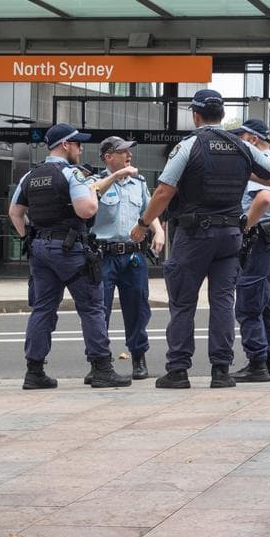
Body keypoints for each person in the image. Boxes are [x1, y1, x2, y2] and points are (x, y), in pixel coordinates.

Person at [130, 90, 270, 388]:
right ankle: (221, 371)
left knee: (184, 303)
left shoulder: (188, 146)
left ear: (196, 116)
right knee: (223, 301)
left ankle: (178, 370)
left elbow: (164, 192)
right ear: (223, 116)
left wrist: (143, 224)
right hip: (230, 235)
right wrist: (243, 173)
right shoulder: (242, 146)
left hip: (194, 235)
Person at [8, 123, 134, 390]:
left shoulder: (30, 176)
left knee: (43, 309)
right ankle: (101, 368)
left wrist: (28, 238)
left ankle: (34, 372)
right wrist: (92, 191)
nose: (80, 147)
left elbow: (15, 213)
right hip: (71, 250)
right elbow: (87, 210)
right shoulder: (72, 175)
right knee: (91, 308)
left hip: (40, 250)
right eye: (77, 143)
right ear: (65, 145)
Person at [88, 135, 165, 382]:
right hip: (103, 255)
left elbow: (147, 209)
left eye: (129, 151)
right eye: (122, 152)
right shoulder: (95, 182)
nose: (129, 155)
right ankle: (99, 362)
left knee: (138, 309)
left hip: (133, 255)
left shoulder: (138, 182)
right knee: (99, 311)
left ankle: (138, 357)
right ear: (108, 157)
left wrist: (158, 230)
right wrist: (115, 177)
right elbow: (90, 199)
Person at [230, 119, 270, 382]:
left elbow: (263, 199)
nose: (239, 142)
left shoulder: (260, 162)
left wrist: (245, 227)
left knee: (248, 305)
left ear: (253, 139)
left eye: (242, 137)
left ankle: (257, 363)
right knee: (268, 304)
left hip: (260, 241)